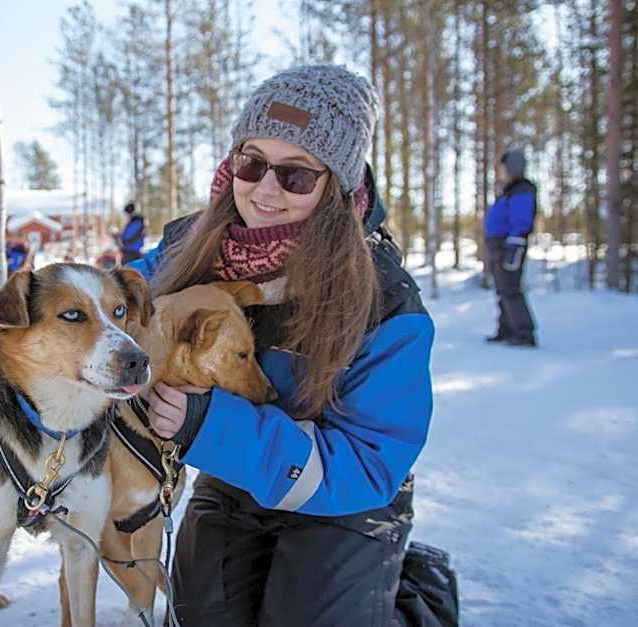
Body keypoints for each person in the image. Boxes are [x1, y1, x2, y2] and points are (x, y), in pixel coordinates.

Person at [129, 65, 458, 626]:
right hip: (236, 480)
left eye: (296, 175)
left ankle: (412, 594)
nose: (264, 189)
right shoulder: (190, 247)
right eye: (251, 163)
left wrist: (207, 425)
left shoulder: (383, 301)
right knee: (199, 618)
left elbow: (369, 459)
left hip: (347, 497)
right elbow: (108, 312)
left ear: (338, 187)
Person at [484, 150, 537, 347]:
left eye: (502, 168)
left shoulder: (521, 190)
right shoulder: (509, 189)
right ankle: (506, 329)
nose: (499, 171)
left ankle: (523, 333)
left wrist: (515, 243)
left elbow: (522, 219)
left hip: (509, 245)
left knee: (511, 290)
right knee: (502, 289)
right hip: (498, 245)